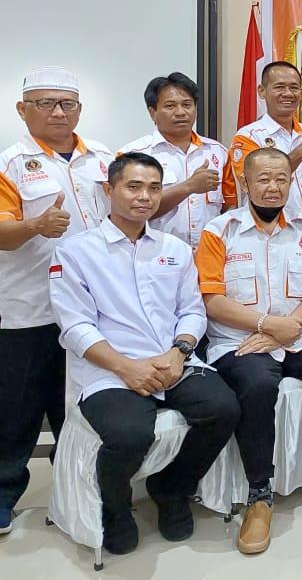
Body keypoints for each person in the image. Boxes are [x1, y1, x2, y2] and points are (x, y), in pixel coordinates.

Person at [50, 153, 240, 555]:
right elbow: (76, 326)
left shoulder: (174, 249)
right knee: (130, 434)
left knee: (223, 409)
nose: (145, 197)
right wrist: (126, 368)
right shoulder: (76, 252)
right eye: (133, 187)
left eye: (154, 188)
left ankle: (172, 489)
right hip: (108, 369)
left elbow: (192, 311)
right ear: (109, 190)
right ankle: (116, 510)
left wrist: (179, 352)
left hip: (173, 361)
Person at [196, 147, 302, 555]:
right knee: (257, 385)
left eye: (281, 179)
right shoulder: (219, 232)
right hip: (239, 340)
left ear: (291, 182)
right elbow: (212, 300)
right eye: (263, 179)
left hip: (298, 334)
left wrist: (289, 328)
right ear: (244, 182)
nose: (273, 187)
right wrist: (269, 326)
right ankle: (259, 493)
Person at [0, 66, 112, 536]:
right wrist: (34, 227)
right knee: (18, 410)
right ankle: (4, 494)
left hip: (93, 309)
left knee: (83, 407)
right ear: (23, 110)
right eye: (45, 103)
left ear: (79, 109)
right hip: (31, 309)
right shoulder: (10, 164)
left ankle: (80, 491)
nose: (58, 112)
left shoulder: (103, 158)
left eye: (67, 103)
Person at [120, 72, 235, 246]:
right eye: (170, 106)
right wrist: (189, 187)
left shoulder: (218, 152)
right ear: (152, 112)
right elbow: (128, 212)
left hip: (208, 254)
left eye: (187, 105)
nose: (180, 112)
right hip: (154, 253)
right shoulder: (132, 156)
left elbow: (229, 208)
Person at [230, 61, 302, 223]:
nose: (288, 93)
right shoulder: (247, 137)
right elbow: (251, 183)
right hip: (267, 232)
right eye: (279, 87)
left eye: (294, 87)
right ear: (262, 91)